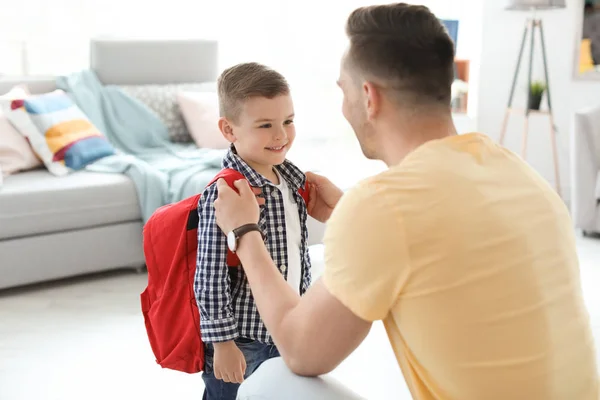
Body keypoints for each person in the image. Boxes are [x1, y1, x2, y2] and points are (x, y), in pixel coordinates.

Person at [212, 3, 600, 400]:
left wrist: (244, 231)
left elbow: (299, 350)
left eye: (343, 91)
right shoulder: (518, 173)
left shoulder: (385, 206)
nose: (343, 107)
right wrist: (349, 214)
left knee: (269, 380)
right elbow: (442, 235)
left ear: (369, 97)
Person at [194, 62, 315, 400]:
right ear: (229, 130)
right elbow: (209, 274)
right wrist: (223, 344)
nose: (281, 135)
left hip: (285, 329)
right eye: (265, 125)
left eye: (288, 121)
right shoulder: (228, 194)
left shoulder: (290, 183)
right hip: (244, 339)